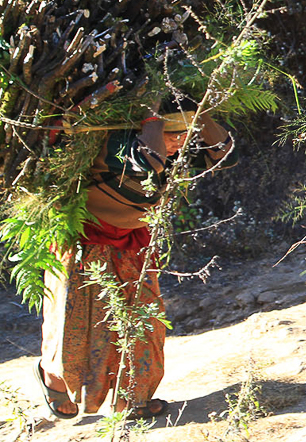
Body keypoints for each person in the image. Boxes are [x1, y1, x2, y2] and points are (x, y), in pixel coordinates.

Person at [34, 104, 236, 420]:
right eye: (173, 135)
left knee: (145, 321)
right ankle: (55, 381)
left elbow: (223, 153)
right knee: (77, 322)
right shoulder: (118, 144)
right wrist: (152, 115)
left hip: (134, 243)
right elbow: (150, 161)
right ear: (147, 130)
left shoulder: (171, 149)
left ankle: (132, 398)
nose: (180, 143)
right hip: (85, 239)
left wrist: (202, 113)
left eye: (185, 134)